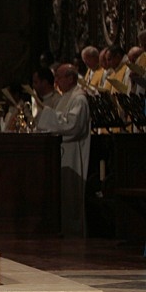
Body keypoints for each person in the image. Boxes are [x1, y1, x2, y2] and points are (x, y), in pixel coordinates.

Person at [36, 63, 91, 236]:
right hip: (62, 153)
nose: (56, 81)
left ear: (71, 78)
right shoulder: (64, 97)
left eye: (59, 77)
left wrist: (49, 116)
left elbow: (73, 126)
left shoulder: (79, 99)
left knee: (72, 195)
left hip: (73, 153)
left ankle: (74, 232)